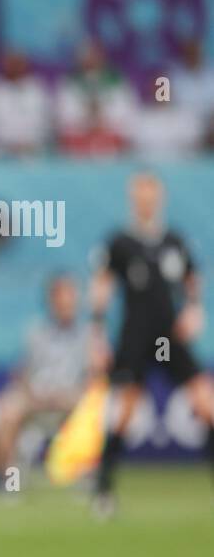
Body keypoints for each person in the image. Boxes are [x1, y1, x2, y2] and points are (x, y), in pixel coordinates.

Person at [90, 172, 214, 517]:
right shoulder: (120, 243)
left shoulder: (174, 241)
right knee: (125, 412)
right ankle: (103, 489)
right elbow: (102, 285)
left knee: (206, 404)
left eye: (151, 196)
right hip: (135, 334)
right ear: (133, 199)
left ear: (159, 199)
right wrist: (97, 333)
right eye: (140, 196)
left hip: (168, 334)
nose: (146, 202)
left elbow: (193, 279)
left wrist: (194, 310)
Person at [0, 273, 96, 479]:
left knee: (95, 408)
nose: (67, 304)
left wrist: (73, 393)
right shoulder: (36, 332)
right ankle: (8, 481)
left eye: (70, 298)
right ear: (51, 301)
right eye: (61, 298)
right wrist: (33, 395)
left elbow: (93, 377)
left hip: (72, 398)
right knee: (6, 413)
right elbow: (22, 373)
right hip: (37, 397)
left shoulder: (89, 335)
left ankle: (88, 476)